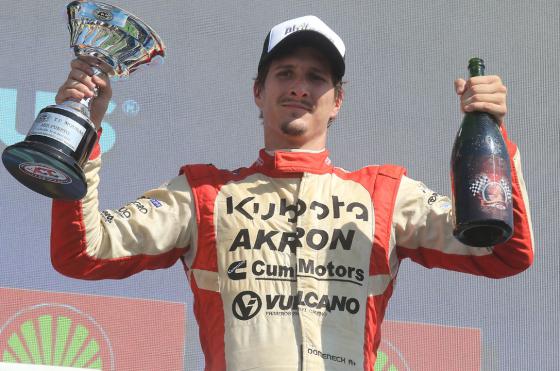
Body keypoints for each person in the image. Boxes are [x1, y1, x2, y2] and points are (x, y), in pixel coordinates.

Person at [51, 15, 534, 371]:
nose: (300, 87)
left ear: (337, 101)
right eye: (285, 74)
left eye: (316, 78)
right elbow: (83, 251)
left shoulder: (386, 195)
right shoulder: (202, 194)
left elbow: (502, 251)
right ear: (258, 92)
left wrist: (494, 133)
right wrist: (83, 127)